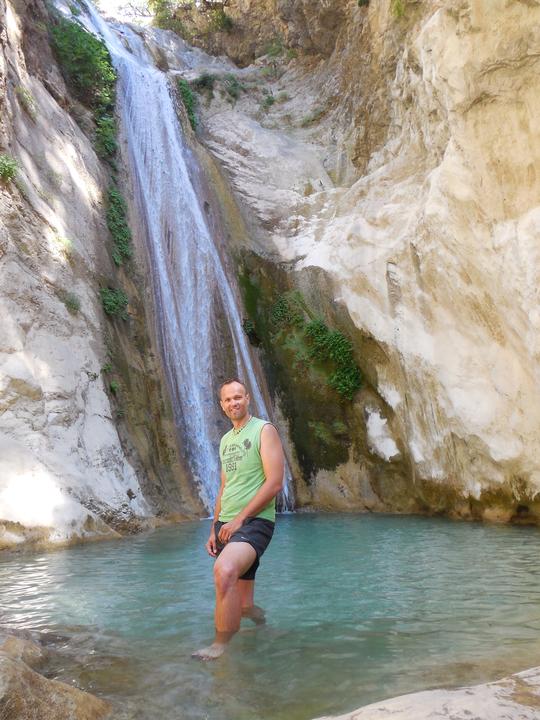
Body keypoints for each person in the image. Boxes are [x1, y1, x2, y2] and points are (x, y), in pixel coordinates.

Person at [192, 378, 285, 660]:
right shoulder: (225, 440)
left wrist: (240, 520)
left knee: (224, 571)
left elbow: (275, 483)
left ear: (247, 399)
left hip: (253, 522)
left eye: (238, 397)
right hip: (226, 525)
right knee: (244, 605)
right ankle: (266, 629)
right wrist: (214, 527)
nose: (234, 402)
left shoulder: (264, 430)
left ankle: (220, 645)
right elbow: (225, 486)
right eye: (228, 399)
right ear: (222, 405)